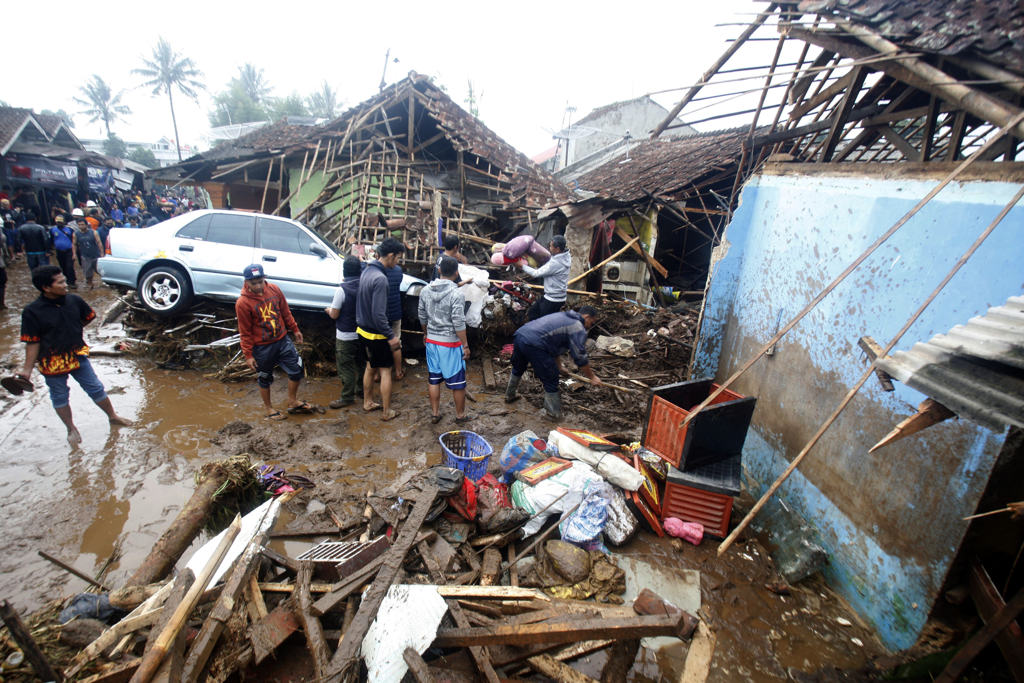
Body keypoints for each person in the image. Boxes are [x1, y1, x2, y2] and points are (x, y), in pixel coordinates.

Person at [18, 265, 132, 443]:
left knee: (95, 387)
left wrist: (68, 331)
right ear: (46, 288)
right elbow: (32, 342)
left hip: (77, 354)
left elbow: (87, 318)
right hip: (51, 362)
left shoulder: (74, 301)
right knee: (60, 395)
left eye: (64, 280)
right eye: (60, 282)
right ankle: (70, 428)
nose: (65, 285)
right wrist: (27, 370)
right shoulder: (32, 312)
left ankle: (112, 416)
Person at [235, 264, 309, 420]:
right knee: (264, 377)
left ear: (264, 279)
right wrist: (248, 355)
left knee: (296, 368)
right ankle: (269, 409)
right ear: (246, 282)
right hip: (262, 347)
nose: (258, 286)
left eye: (260, 281)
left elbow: (285, 311)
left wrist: (295, 329)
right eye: (253, 283)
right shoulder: (242, 303)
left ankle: (292, 401)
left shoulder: (274, 290)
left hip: (282, 340)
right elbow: (245, 331)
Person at [505, 306, 603, 419]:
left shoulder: (563, 316)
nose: (590, 326)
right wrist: (592, 377)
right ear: (587, 317)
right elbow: (580, 356)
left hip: (520, 335)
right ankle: (552, 414)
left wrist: (560, 367)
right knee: (551, 378)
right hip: (535, 343)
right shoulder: (577, 327)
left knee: (519, 367)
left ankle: (510, 395)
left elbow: (553, 347)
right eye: (592, 322)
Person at [356, 237, 405, 421]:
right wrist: (391, 336)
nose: (398, 262)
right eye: (398, 258)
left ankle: (367, 402)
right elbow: (379, 315)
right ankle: (386, 411)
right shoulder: (380, 279)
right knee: (385, 370)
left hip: (362, 330)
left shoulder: (367, 271)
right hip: (377, 334)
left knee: (370, 367)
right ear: (391, 256)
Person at [419, 255, 471, 424]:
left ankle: (435, 414)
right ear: (456, 273)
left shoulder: (425, 290)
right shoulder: (456, 293)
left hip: (432, 342)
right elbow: (458, 322)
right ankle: (460, 415)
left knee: (434, 379)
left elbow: (422, 315)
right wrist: (465, 345)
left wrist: (425, 334)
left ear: (439, 270)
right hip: (450, 343)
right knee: (458, 381)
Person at [325, 256, 365, 409]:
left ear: (344, 271)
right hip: (362, 332)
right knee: (361, 364)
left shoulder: (342, 290)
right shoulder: (364, 286)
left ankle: (347, 397)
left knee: (346, 366)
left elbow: (335, 314)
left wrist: (328, 310)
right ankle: (361, 390)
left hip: (345, 335)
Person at [518, 234, 571, 321]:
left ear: (557, 249)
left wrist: (522, 266)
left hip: (553, 300)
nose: (549, 248)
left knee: (543, 323)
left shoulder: (556, 263)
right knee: (532, 313)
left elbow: (536, 273)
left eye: (551, 246)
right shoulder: (566, 256)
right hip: (552, 296)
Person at [385, 255, 405, 379]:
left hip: (381, 315)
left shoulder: (376, 271)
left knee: (379, 344)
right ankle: (398, 372)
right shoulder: (398, 271)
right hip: (395, 312)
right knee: (396, 342)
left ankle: (376, 375)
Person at [73, 216, 104, 289]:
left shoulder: (93, 232)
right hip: (85, 256)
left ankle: (105, 282)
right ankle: (90, 284)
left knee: (100, 271)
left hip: (96, 255)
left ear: (86, 225)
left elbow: (99, 243)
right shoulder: (76, 234)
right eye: (79, 225)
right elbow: (74, 244)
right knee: (87, 272)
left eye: (82, 224)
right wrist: (74, 254)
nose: (81, 226)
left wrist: (102, 253)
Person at [50, 215, 77, 289]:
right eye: (58, 222)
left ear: (64, 222)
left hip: (69, 251)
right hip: (59, 251)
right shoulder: (53, 230)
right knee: (63, 267)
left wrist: (74, 253)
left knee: (69, 267)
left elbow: (74, 241)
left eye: (61, 222)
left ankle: (72, 282)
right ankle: (66, 280)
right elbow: (51, 240)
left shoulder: (69, 230)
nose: (59, 224)